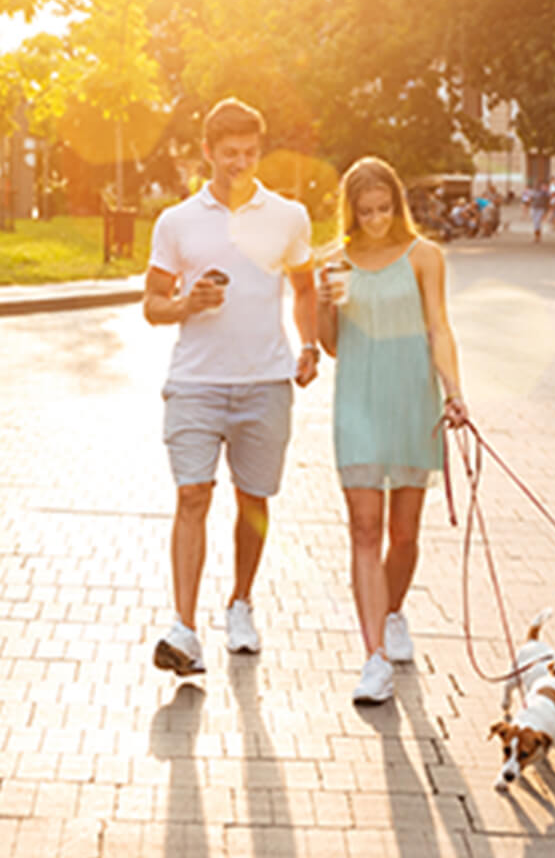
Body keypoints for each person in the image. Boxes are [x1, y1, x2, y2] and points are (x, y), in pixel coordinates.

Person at [142, 97, 320, 676]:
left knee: (254, 499)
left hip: (265, 382)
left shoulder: (288, 216)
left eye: (249, 153)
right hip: (195, 382)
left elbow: (305, 288)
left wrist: (310, 345)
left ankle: (241, 602)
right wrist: (186, 303)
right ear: (207, 152)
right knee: (192, 495)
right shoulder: (177, 222)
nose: (240, 163)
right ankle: (184, 629)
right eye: (229, 154)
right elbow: (151, 305)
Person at [316, 156, 469, 705]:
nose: (377, 220)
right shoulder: (334, 261)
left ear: (396, 204)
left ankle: (394, 610)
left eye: (385, 209)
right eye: (366, 211)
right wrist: (323, 303)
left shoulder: (425, 256)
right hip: (357, 400)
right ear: (351, 211)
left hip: (411, 400)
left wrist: (454, 392)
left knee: (404, 534)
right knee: (364, 528)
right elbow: (331, 343)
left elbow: (438, 326)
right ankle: (374, 657)